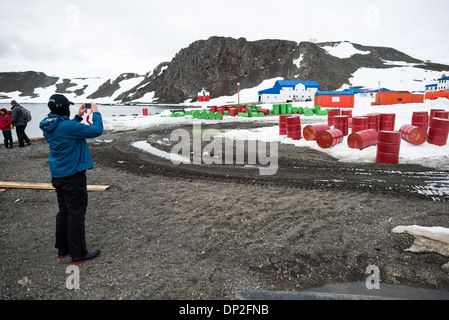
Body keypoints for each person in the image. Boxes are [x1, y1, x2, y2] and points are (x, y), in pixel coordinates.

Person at [39, 94, 103, 265]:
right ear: (64, 108)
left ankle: (63, 249)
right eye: (68, 106)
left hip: (59, 175)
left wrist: (78, 116)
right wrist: (95, 113)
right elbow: (97, 130)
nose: (69, 108)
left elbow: (67, 128)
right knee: (76, 213)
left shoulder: (49, 124)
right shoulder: (66, 126)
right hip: (73, 176)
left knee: (64, 211)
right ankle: (78, 253)